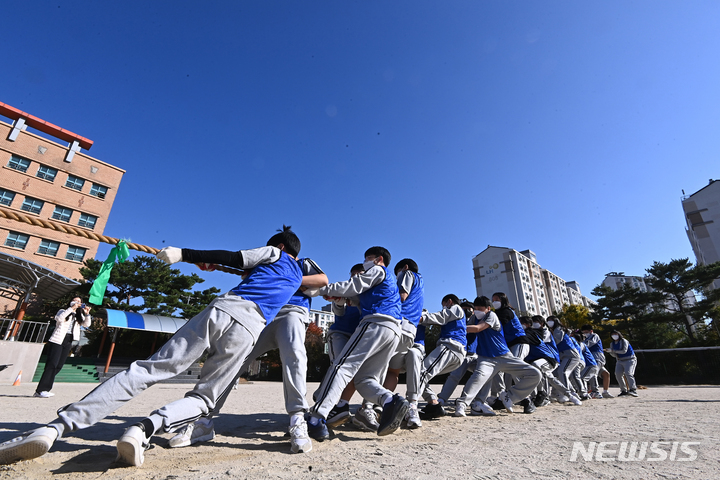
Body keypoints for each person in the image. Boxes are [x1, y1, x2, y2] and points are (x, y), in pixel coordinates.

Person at [0, 226, 303, 467]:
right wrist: (211, 265)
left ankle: (57, 427)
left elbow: (236, 259)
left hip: (225, 310)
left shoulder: (273, 253)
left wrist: (183, 254)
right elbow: (252, 274)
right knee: (205, 399)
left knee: (149, 369)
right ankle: (144, 429)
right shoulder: (299, 275)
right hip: (250, 330)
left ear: (278, 246)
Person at [168, 256, 328, 454]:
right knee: (233, 359)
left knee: (294, 355)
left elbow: (322, 280)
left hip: (292, 311)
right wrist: (211, 263)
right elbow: (238, 264)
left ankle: (297, 418)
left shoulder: (300, 263)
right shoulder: (262, 265)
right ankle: (204, 420)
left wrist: (287, 279)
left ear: (283, 248)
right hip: (261, 313)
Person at [305, 247, 409, 440]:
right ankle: (390, 400)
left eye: (367, 258)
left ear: (379, 259)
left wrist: (321, 289)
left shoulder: (378, 270)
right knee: (365, 380)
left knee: (342, 367)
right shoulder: (385, 284)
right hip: (393, 331)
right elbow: (354, 299)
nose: (364, 262)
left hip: (376, 323)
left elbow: (354, 286)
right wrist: (338, 299)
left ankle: (316, 417)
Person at [381, 259, 425, 429]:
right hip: (410, 330)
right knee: (393, 370)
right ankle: (411, 406)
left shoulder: (407, 274)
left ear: (404, 267)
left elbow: (401, 296)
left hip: (399, 324)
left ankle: (372, 406)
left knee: (379, 365)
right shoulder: (421, 281)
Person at [416, 294, 467, 420]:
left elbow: (441, 317)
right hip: (457, 353)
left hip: (450, 347)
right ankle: (434, 404)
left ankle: (409, 405)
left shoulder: (456, 308)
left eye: (443, 305)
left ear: (449, 301)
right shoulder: (457, 315)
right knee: (419, 374)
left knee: (421, 373)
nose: (443, 307)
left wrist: (421, 318)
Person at [34, 297, 92, 398]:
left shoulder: (79, 315)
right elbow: (59, 319)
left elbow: (86, 324)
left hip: (68, 341)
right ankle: (42, 390)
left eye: (79, 302)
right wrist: (71, 309)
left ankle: (42, 388)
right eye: (75, 300)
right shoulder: (63, 311)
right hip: (57, 339)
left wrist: (87, 314)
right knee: (52, 364)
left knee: (59, 366)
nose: (76, 302)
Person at [523, 316, 581, 407]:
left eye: (535, 322)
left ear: (542, 323)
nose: (534, 324)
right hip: (540, 358)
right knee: (551, 378)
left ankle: (544, 396)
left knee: (555, 373)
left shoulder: (546, 332)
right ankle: (569, 395)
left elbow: (541, 341)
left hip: (550, 358)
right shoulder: (535, 332)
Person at [581, 324, 613, 398]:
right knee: (605, 374)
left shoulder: (594, 336)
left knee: (593, 373)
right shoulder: (584, 338)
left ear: (591, 331)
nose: (585, 334)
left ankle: (595, 391)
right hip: (590, 358)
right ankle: (605, 392)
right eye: (583, 332)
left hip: (597, 356)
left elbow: (589, 344)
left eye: (586, 332)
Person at [606, 330, 638, 397]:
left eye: (615, 334)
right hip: (620, 360)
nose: (614, 335)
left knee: (628, 373)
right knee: (618, 374)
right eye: (612, 334)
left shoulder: (624, 341)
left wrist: (613, 350)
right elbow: (614, 355)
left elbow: (624, 351)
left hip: (630, 359)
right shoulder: (612, 344)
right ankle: (623, 390)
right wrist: (610, 352)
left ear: (619, 334)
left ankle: (633, 389)